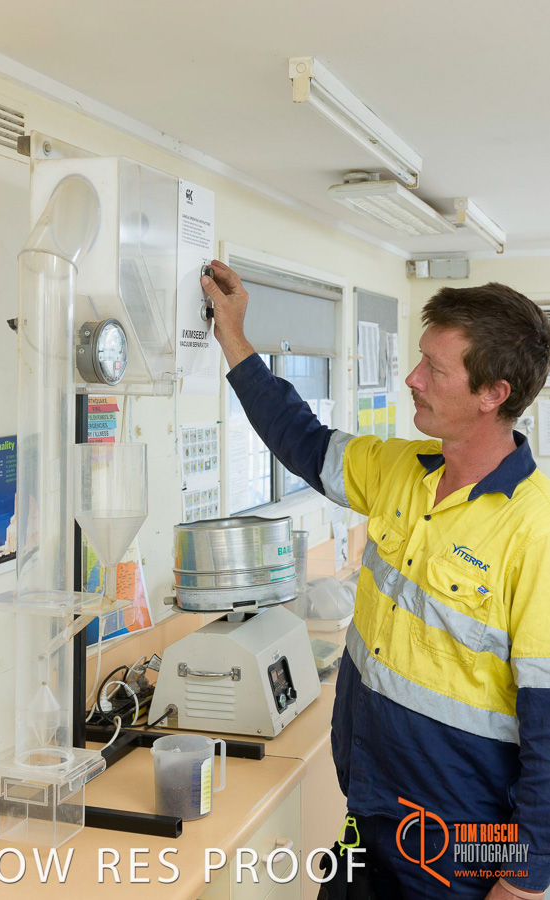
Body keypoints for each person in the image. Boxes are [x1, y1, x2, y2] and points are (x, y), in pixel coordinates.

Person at [200, 260, 550, 900]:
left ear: (493, 393)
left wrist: (524, 883)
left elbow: (549, 732)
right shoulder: (400, 469)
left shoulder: (536, 533)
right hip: (369, 815)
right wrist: (235, 339)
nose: (412, 378)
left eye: (434, 369)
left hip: (461, 852)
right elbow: (302, 439)